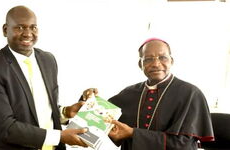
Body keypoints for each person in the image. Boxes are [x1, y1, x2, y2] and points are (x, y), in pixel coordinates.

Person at [0, 5, 88, 150]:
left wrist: (66, 112)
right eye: (20, 28)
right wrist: (59, 136)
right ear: (5, 30)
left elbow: (38, 111)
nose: (28, 34)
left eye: (33, 27)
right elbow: (4, 127)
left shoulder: (48, 60)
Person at [82, 38, 214, 150]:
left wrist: (133, 134)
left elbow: (184, 145)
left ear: (171, 61)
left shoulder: (191, 93)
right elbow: (98, 119)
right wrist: (89, 99)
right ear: (140, 64)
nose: (156, 64)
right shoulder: (129, 93)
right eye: (148, 59)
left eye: (162, 57)